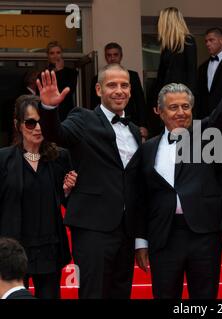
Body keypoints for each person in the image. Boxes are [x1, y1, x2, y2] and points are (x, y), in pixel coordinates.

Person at [135, 35, 222, 299]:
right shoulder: (147, 149)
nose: (181, 112)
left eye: (186, 106)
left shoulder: (205, 135)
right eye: (173, 107)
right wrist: (141, 241)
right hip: (164, 237)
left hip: (203, 235)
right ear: (159, 112)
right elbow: (141, 198)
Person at [37, 63, 143, 299]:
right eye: (111, 85)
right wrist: (48, 108)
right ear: (98, 90)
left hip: (126, 230)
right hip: (93, 227)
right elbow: (57, 134)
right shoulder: (82, 118)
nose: (119, 90)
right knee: (93, 293)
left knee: (120, 292)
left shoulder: (134, 130)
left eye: (124, 85)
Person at [0, 95, 75, 299]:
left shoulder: (61, 157)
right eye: (31, 122)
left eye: (42, 121)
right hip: (12, 251)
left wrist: (68, 191)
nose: (38, 127)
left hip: (49, 249)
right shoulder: (3, 159)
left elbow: (70, 203)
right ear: (18, 125)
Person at [148, 7, 197, 137]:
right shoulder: (166, 46)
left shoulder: (187, 42)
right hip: (167, 99)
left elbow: (192, 74)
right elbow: (161, 77)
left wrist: (189, 103)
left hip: (180, 98)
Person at [90, 42, 149, 140]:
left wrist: (143, 125)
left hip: (132, 122)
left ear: (121, 56)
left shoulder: (132, 76)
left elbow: (140, 102)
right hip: (105, 124)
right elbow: (94, 104)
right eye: (109, 55)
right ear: (105, 57)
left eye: (115, 55)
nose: (112, 58)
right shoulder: (97, 78)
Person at [196, 28, 222, 119]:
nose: (208, 44)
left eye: (211, 40)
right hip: (205, 117)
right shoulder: (202, 67)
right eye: (206, 41)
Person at [45, 41, 78, 122]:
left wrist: (60, 71)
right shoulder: (43, 74)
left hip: (66, 115)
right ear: (48, 56)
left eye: (58, 52)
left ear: (62, 54)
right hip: (49, 115)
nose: (55, 56)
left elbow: (68, 91)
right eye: (52, 53)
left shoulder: (71, 73)